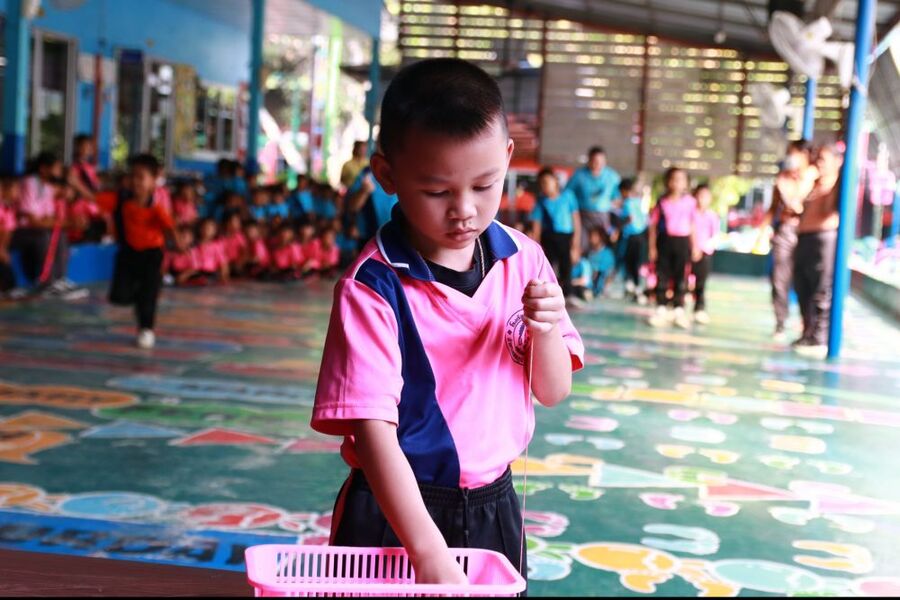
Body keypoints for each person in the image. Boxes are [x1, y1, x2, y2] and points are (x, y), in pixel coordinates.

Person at [311, 57, 584, 587]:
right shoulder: (373, 287)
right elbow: (373, 434)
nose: (464, 210)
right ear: (387, 175)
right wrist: (428, 552)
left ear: (508, 159)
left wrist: (546, 331)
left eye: (485, 186)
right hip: (395, 512)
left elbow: (552, 391)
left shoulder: (524, 260)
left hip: (493, 505)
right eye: (437, 192)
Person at [108, 154, 177, 349]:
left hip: (152, 254)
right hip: (128, 253)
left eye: (141, 177)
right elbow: (94, 198)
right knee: (119, 296)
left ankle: (146, 329)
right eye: (132, 176)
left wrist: (178, 244)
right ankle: (139, 297)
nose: (135, 181)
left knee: (149, 295)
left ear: (153, 180)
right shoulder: (122, 200)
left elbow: (169, 226)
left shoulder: (158, 204)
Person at [761, 141, 818, 342]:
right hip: (784, 231)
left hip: (807, 232)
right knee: (779, 279)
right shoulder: (782, 179)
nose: (791, 158)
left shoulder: (815, 177)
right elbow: (773, 207)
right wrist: (762, 232)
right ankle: (780, 323)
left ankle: (808, 324)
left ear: (805, 155)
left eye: (795, 154)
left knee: (805, 279)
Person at [10, 152, 87, 299]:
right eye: (56, 168)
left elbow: (48, 218)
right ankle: (46, 283)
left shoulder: (47, 187)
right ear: (44, 169)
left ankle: (59, 279)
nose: (59, 172)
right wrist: (67, 223)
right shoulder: (29, 183)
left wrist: (67, 223)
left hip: (35, 229)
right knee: (43, 235)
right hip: (16, 232)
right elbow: (33, 220)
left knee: (59, 233)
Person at [792, 144, 842, 358]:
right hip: (804, 237)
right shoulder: (813, 183)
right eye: (817, 159)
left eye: (823, 159)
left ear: (837, 162)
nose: (819, 163)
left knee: (820, 288)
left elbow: (828, 209)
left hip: (823, 238)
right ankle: (808, 332)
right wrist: (808, 179)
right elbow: (795, 204)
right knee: (802, 286)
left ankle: (820, 336)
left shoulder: (836, 184)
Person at [648, 167, 696, 329]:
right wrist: (652, 247)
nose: (677, 183)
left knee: (681, 276)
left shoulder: (690, 202)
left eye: (681, 179)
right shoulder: (661, 202)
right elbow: (653, 226)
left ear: (686, 183)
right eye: (673, 179)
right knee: (662, 274)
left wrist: (695, 245)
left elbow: (693, 225)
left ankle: (678, 309)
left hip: (683, 242)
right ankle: (661, 307)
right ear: (667, 182)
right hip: (664, 241)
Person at [530, 167, 581, 305]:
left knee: (566, 265)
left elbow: (576, 219)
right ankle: (548, 295)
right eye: (541, 183)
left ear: (555, 181)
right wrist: (536, 245)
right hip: (548, 237)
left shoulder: (568, 196)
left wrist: (576, 243)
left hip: (566, 236)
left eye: (547, 182)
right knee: (549, 266)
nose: (544, 186)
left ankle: (568, 294)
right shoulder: (541, 201)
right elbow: (536, 223)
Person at [565, 146, 621, 250]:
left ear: (605, 161)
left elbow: (618, 198)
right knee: (581, 243)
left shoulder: (612, 176)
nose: (598, 164)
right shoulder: (579, 175)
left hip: (603, 216)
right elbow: (568, 194)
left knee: (601, 245)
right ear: (589, 161)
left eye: (601, 162)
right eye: (595, 161)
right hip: (583, 215)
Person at [346, 166, 399, 250]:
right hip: (369, 238)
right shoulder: (367, 173)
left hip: (397, 236)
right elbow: (352, 206)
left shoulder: (404, 172)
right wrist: (364, 191)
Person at [691, 184, 720, 325]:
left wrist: (702, 249)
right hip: (688, 252)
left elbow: (715, 236)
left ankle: (699, 309)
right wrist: (693, 248)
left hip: (704, 254)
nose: (701, 199)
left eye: (705, 196)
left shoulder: (712, 216)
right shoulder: (690, 214)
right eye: (699, 195)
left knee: (701, 283)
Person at [617, 178, 648, 303]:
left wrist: (618, 227)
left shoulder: (628, 203)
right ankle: (635, 288)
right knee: (635, 263)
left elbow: (630, 218)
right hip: (641, 236)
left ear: (624, 191)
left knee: (630, 263)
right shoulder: (638, 201)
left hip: (631, 236)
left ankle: (635, 287)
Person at [587, 227, 616, 298]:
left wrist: (597, 270)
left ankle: (602, 290)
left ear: (601, 237)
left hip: (602, 278)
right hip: (590, 279)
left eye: (594, 236)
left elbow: (608, 268)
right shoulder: (589, 253)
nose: (591, 238)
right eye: (590, 236)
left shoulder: (607, 253)